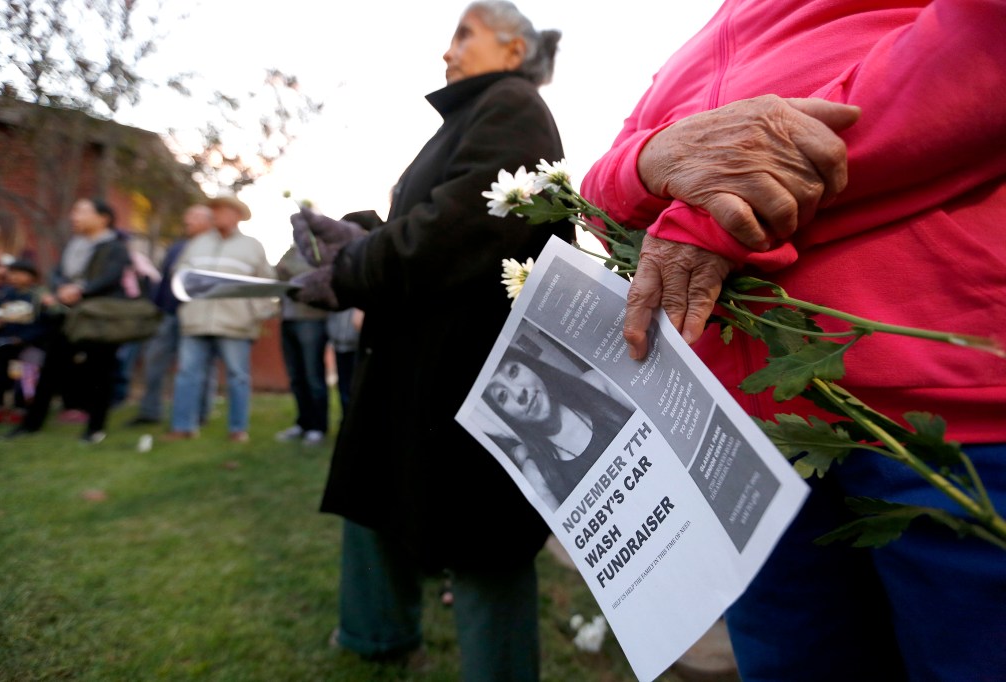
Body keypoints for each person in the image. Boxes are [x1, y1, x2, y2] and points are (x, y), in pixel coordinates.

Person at [581, 2, 1006, 680]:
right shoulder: (694, 48)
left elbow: (981, 44)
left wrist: (719, 208)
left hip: (946, 412)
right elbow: (600, 198)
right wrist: (653, 159)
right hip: (750, 446)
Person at [289, 3, 571, 679]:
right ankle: (376, 633)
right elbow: (422, 221)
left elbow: (462, 227)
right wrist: (355, 234)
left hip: (470, 367)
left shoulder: (512, 105)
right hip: (418, 356)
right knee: (376, 491)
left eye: (463, 35)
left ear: (513, 50)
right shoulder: (473, 117)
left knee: (482, 537)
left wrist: (352, 270)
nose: (447, 53)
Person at [7, 198, 131, 443]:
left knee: (100, 372)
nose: (75, 216)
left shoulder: (115, 247)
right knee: (51, 369)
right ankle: (30, 425)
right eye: (74, 210)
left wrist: (80, 290)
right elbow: (57, 272)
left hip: (99, 318)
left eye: (82, 211)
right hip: (66, 315)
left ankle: (95, 429)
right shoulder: (74, 243)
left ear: (103, 218)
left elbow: (110, 277)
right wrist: (60, 288)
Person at [164, 195, 275, 443]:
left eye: (222, 210)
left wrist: (254, 314)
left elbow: (265, 283)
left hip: (235, 323)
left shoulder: (252, 246)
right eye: (213, 210)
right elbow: (178, 275)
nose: (216, 214)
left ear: (236, 215)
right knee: (187, 374)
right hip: (196, 321)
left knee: (237, 376)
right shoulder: (196, 243)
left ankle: (237, 429)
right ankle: (183, 427)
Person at [482, 346, 634, 509]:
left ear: (530, 366)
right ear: (504, 415)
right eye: (502, 396)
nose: (519, 393)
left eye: (513, 371)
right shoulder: (536, 474)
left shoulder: (597, 384)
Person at [127, 205, 216, 427]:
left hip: (196, 317)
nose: (187, 219)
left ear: (209, 221)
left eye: (194, 216)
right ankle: (150, 412)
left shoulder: (215, 248)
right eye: (187, 215)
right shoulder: (177, 248)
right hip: (167, 315)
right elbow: (165, 280)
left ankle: (200, 413)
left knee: (197, 367)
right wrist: (156, 306)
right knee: (154, 362)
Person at [273, 243, 329, 445]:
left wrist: (288, 270)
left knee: (313, 375)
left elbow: (316, 276)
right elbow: (278, 273)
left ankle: (318, 427)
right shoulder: (291, 250)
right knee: (296, 376)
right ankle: (303, 423)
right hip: (288, 319)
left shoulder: (320, 249)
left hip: (311, 320)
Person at [0, 259, 53, 418]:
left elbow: (45, 325)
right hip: (1, 343)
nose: (14, 277)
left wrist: (23, 338)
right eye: (11, 273)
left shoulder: (39, 297)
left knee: (27, 373)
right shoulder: (1, 295)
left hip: (31, 345)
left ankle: (23, 408)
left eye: (19, 273)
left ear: (32, 277)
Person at [0, 210, 27, 299]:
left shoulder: (22, 253)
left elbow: (26, 277)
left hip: (10, 301)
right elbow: (12, 273)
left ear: (5, 225)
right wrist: (2, 271)